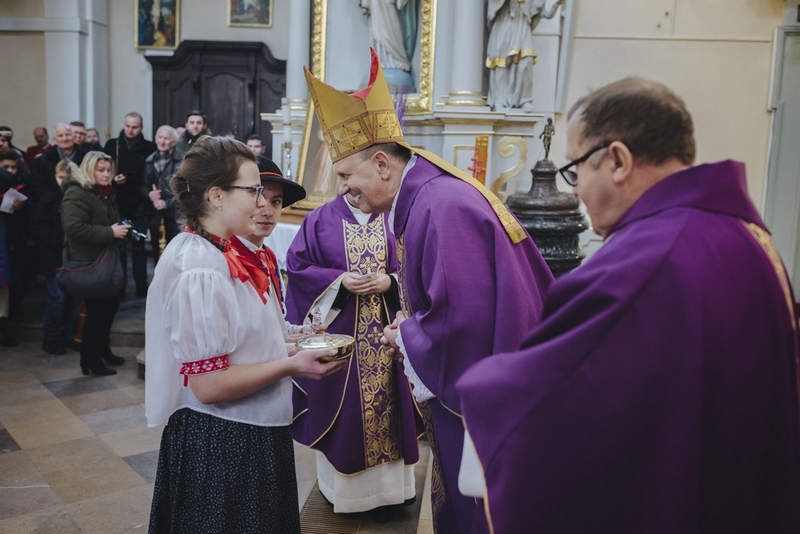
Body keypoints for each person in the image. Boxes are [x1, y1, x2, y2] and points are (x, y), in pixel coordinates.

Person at [456, 77, 800, 533]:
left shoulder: (645, 260)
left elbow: (552, 397)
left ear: (618, 160)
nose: (575, 190)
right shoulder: (747, 237)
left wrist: (481, 389)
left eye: (576, 169)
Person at [304, 48, 554, 533]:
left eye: (346, 176)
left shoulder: (440, 207)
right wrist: (414, 321)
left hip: (482, 398)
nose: (343, 190)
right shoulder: (428, 197)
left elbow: (467, 319)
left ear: (382, 163)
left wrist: (406, 334)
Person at [145, 136, 346, 533]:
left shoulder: (218, 253)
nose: (261, 203)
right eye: (253, 190)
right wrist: (292, 365)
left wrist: (294, 343)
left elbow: (240, 345)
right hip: (223, 440)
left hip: (248, 430)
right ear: (217, 195)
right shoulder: (200, 267)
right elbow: (209, 385)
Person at [286, 191, 422, 517]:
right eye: (344, 177)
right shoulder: (319, 220)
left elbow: (417, 266)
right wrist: (338, 281)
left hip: (387, 337)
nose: (351, 186)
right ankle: (346, 495)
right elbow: (299, 268)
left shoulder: (395, 216)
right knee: (343, 412)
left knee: (391, 408)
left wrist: (391, 282)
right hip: (341, 337)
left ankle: (393, 492)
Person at [61, 151, 131, 376]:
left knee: (109, 307)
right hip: (90, 261)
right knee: (96, 312)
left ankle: (103, 351)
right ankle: (90, 360)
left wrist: (121, 229)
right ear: (89, 169)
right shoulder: (77, 192)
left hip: (106, 258)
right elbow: (74, 227)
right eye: (101, 170)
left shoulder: (103, 193)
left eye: (109, 170)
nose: (106, 174)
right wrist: (110, 232)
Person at [104, 112, 156, 298]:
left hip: (140, 201)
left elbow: (149, 175)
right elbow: (104, 170)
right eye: (127, 126)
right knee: (119, 247)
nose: (130, 130)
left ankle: (142, 286)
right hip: (117, 200)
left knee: (139, 245)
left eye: (134, 127)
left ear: (141, 128)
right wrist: (113, 179)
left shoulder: (149, 147)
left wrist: (131, 177)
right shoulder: (113, 145)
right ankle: (121, 286)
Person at [485, 0, 563, 111]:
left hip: (522, 26)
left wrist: (556, 5)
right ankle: (500, 100)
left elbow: (544, 13)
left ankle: (524, 99)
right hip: (505, 23)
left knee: (526, 61)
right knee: (502, 63)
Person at [37, 159, 80, 355]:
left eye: (68, 177)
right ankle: (52, 338)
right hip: (54, 256)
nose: (64, 181)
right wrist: (61, 241)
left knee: (73, 300)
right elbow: (41, 228)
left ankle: (70, 336)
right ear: (55, 177)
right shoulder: (48, 198)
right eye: (61, 177)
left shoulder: (77, 197)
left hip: (73, 257)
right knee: (57, 298)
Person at [0, 149, 29, 346]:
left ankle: (3, 330)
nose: (10, 171)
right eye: (5, 167)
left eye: (13, 167)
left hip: (7, 244)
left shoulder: (18, 184)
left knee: (4, 294)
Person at [143, 125, 182, 264]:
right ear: (155, 139)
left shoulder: (181, 160)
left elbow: (184, 190)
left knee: (174, 252)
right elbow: (143, 186)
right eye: (160, 137)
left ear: (173, 141)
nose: (162, 141)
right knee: (157, 252)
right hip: (155, 214)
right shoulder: (149, 160)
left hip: (175, 214)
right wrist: (149, 194)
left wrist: (165, 203)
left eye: (166, 138)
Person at [30, 123, 86, 201]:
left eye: (68, 135)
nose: (65, 139)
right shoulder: (41, 162)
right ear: (55, 140)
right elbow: (37, 189)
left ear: (74, 137)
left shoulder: (86, 158)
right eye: (60, 136)